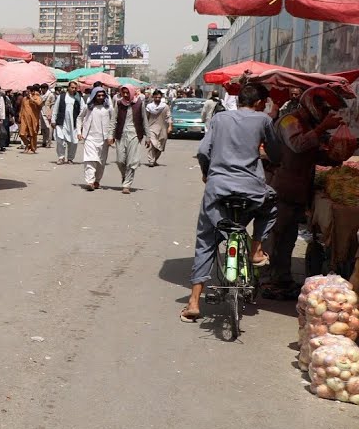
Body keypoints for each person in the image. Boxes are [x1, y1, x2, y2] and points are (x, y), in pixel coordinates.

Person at [182, 85, 280, 322]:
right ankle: (256, 248)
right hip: (251, 190)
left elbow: (204, 151)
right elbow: (277, 153)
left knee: (206, 239)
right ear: (259, 102)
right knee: (272, 205)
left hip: (218, 189)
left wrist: (208, 173)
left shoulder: (219, 118)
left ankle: (194, 301)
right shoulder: (263, 120)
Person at [265, 86, 347, 294]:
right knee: (279, 235)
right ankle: (272, 280)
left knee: (289, 237)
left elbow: (316, 154)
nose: (326, 114)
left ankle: (282, 279)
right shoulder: (289, 120)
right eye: (324, 108)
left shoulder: (311, 124)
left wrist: (340, 153)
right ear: (313, 104)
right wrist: (322, 129)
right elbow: (298, 145)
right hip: (284, 187)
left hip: (301, 190)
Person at [112, 86, 146, 194]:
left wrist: (148, 137)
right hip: (121, 134)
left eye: (127, 93)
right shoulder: (119, 104)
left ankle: (127, 184)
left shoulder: (139, 103)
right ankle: (124, 175)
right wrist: (110, 135)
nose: (125, 95)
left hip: (135, 135)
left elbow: (144, 120)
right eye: (123, 93)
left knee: (132, 161)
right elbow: (113, 120)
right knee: (120, 160)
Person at [78, 87, 113, 190]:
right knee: (90, 160)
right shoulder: (88, 107)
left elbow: (113, 122)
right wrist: (79, 132)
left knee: (101, 162)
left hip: (104, 139)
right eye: (98, 95)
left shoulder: (109, 108)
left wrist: (111, 136)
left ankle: (97, 180)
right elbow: (79, 118)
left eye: (102, 95)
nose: (101, 97)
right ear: (94, 96)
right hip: (89, 138)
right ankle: (90, 181)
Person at [51, 81, 82, 165]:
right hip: (62, 122)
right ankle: (61, 157)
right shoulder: (61, 97)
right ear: (68, 88)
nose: (74, 89)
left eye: (75, 88)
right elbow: (55, 109)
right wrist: (53, 120)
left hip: (74, 124)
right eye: (72, 87)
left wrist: (81, 124)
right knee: (60, 140)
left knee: (73, 142)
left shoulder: (78, 98)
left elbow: (82, 111)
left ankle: (70, 158)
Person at [144, 89, 172, 167]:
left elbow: (168, 116)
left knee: (160, 146)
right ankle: (151, 161)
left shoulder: (165, 107)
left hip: (163, 129)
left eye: (159, 97)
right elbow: (146, 118)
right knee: (153, 144)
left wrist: (169, 126)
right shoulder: (149, 107)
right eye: (156, 97)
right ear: (153, 97)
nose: (157, 99)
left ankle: (154, 160)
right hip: (151, 128)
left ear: (161, 97)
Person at [17, 86, 43, 154]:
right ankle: (28, 144)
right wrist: (20, 116)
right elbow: (22, 108)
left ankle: (31, 148)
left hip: (33, 119)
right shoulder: (24, 99)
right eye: (26, 91)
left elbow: (39, 104)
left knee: (32, 134)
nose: (27, 93)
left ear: (33, 92)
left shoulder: (37, 97)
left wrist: (32, 99)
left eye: (28, 91)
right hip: (24, 119)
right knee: (22, 134)